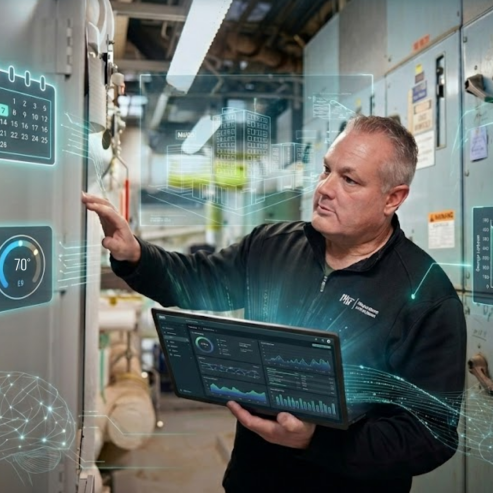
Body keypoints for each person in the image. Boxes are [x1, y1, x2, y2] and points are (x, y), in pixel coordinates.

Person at [83, 115, 467, 493]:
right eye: (326, 170)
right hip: (254, 479)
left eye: (349, 179)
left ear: (393, 198)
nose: (325, 188)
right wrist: (136, 255)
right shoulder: (272, 245)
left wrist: (314, 440)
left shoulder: (426, 297)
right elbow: (199, 281)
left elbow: (430, 435)